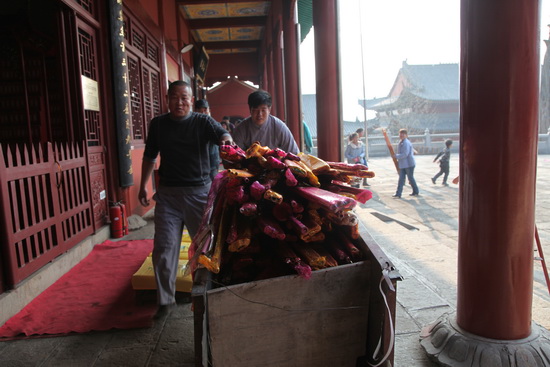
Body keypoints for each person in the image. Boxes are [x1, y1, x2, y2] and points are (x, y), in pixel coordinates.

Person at [138, 81, 232, 315]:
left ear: (191, 100)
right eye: (174, 97)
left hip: (198, 195)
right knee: (164, 247)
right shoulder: (158, 125)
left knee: (203, 249)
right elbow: (150, 157)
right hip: (168, 196)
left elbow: (222, 133)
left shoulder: (202, 121)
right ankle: (165, 299)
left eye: (184, 98)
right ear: (167, 99)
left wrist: (226, 140)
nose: (179, 102)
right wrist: (143, 186)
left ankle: (207, 294)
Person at [232, 90, 299, 153]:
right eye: (256, 110)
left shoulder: (279, 127)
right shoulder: (241, 129)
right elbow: (235, 155)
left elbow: (294, 153)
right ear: (250, 110)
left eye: (263, 110)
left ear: (269, 109)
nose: (259, 114)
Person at [194, 99, 220, 181]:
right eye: (200, 111)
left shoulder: (215, 125)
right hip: (198, 164)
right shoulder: (192, 126)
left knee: (214, 184)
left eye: (205, 110)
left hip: (213, 161)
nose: (203, 113)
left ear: (209, 111)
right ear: (195, 111)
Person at [392, 129, 419, 198]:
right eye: (401, 134)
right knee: (401, 179)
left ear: (406, 135)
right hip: (403, 164)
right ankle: (398, 193)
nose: (402, 135)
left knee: (410, 178)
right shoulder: (401, 142)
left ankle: (416, 191)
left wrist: (396, 156)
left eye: (403, 134)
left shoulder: (406, 143)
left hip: (409, 164)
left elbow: (405, 154)